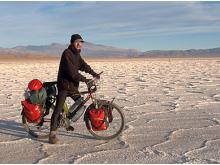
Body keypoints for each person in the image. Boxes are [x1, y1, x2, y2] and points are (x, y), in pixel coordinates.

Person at [49, 34, 100, 144]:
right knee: (58, 109)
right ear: (72, 42)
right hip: (64, 86)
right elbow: (72, 73)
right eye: (77, 41)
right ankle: (52, 133)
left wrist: (94, 73)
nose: (79, 44)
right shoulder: (67, 53)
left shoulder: (77, 54)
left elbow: (84, 66)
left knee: (80, 102)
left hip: (72, 87)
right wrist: (86, 80)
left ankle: (66, 121)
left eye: (81, 42)